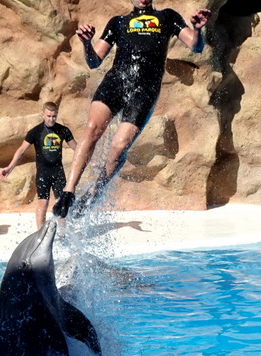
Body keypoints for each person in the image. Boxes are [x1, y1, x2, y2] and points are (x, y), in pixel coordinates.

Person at [52, 0, 211, 218]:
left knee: (119, 146)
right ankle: (69, 192)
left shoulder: (168, 17)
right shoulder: (118, 22)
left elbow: (196, 46)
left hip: (145, 90)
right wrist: (87, 44)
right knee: (92, 129)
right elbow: (94, 62)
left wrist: (198, 30)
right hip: (116, 81)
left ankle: (93, 193)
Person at [0, 102, 78, 230]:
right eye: (48, 116)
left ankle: (63, 234)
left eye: (54, 116)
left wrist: (91, 162)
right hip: (43, 173)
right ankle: (40, 233)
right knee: (43, 203)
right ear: (43, 115)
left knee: (62, 204)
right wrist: (10, 167)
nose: (51, 119)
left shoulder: (63, 130)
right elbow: (21, 150)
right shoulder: (35, 132)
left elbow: (77, 148)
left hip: (58, 172)